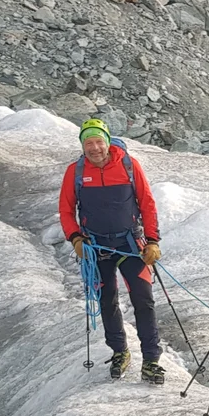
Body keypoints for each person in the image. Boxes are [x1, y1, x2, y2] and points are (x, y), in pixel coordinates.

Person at [59, 118, 166, 382]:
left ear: (107, 142)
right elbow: (65, 209)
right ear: (82, 146)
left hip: (130, 244)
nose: (95, 148)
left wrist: (152, 240)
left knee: (144, 299)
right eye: (89, 143)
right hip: (96, 247)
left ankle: (151, 359)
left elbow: (147, 203)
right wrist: (75, 238)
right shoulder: (75, 171)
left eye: (99, 141)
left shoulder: (129, 166)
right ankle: (119, 351)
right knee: (107, 301)